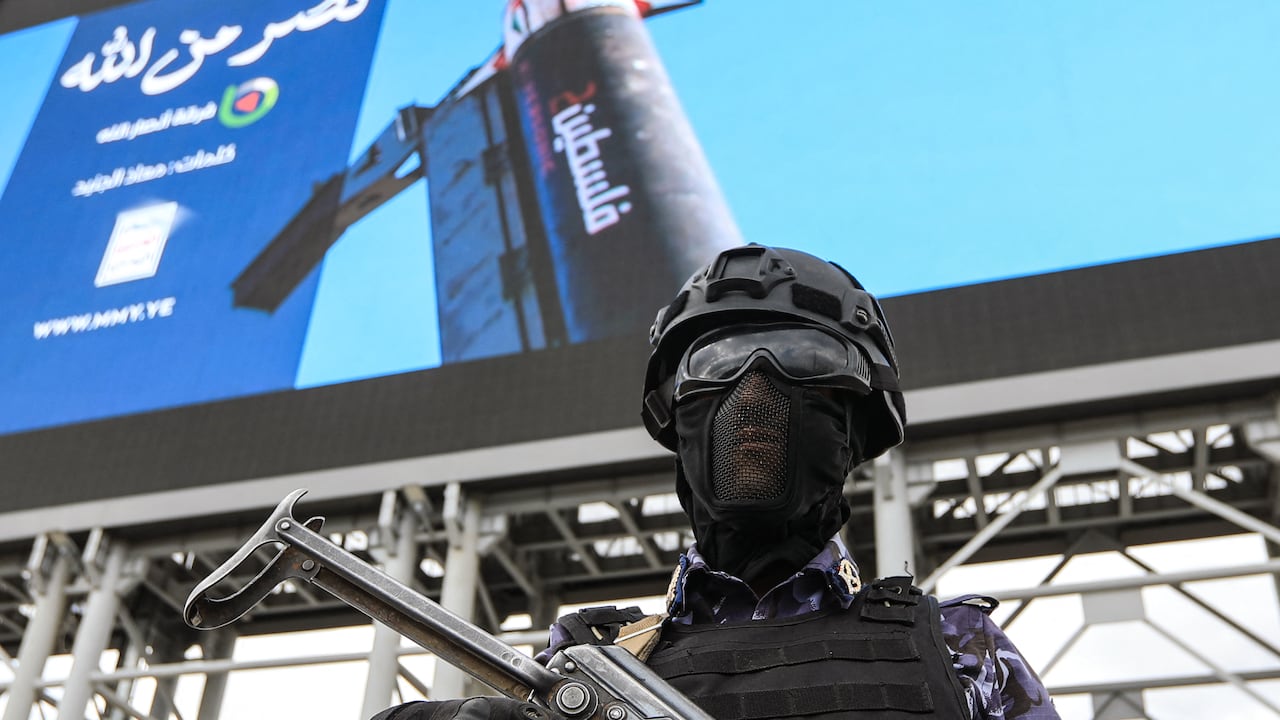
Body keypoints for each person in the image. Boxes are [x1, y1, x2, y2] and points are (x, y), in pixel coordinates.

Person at [373, 244, 1059, 720]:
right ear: (676, 416)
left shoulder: (961, 648)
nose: (756, 391)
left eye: (805, 358)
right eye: (717, 362)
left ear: (855, 424)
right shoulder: (587, 662)